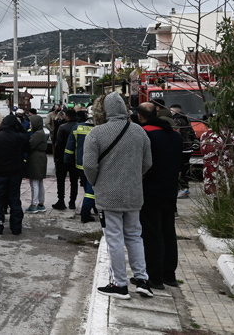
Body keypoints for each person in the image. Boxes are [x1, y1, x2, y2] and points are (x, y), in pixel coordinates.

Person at [84, 92, 153, 300]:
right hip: (133, 195)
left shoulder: (96, 133)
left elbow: (88, 165)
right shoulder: (140, 132)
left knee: (114, 238)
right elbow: (148, 163)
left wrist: (97, 182)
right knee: (134, 235)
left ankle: (119, 284)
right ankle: (142, 280)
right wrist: (133, 178)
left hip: (108, 195)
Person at [136, 102, 182, 290]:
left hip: (150, 189)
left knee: (151, 233)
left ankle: (154, 277)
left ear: (140, 116)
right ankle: (169, 274)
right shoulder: (175, 135)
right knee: (168, 231)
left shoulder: (144, 134)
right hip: (170, 189)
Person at [0, 113, 27, 235]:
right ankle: (16, 226)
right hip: (15, 173)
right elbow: (26, 138)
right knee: (14, 199)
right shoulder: (20, 137)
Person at [65, 109, 96, 222]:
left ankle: (93, 209)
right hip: (96, 165)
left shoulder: (77, 127)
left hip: (81, 164)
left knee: (88, 189)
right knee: (91, 190)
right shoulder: (101, 128)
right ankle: (85, 213)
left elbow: (70, 147)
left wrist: (67, 161)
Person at [52, 107, 80, 210]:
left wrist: (57, 159)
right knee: (74, 181)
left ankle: (61, 201)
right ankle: (72, 202)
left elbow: (58, 144)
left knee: (61, 181)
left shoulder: (62, 127)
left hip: (62, 159)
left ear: (67, 117)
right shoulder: (78, 127)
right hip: (75, 159)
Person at [170, 104, 196, 198]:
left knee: (179, 169)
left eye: (171, 111)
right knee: (185, 168)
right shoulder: (186, 118)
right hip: (188, 147)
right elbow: (192, 133)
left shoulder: (177, 119)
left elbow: (176, 134)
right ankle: (185, 188)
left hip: (182, 148)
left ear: (175, 111)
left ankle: (182, 188)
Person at [24, 114, 48, 213]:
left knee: (34, 182)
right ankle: (41, 203)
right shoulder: (40, 132)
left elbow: (30, 145)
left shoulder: (38, 134)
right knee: (40, 182)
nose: (30, 125)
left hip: (36, 159)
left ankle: (33, 205)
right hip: (41, 158)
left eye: (31, 123)